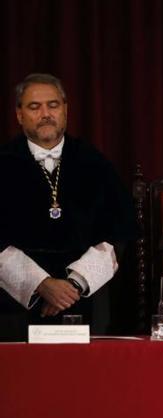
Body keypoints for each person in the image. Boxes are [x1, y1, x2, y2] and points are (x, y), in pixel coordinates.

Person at [0, 73, 138, 341]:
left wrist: (72, 285)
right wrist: (41, 284)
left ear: (65, 110)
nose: (45, 114)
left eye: (53, 105)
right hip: (13, 306)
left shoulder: (94, 163)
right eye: (34, 106)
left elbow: (118, 236)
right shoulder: (3, 164)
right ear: (19, 114)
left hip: (83, 299)